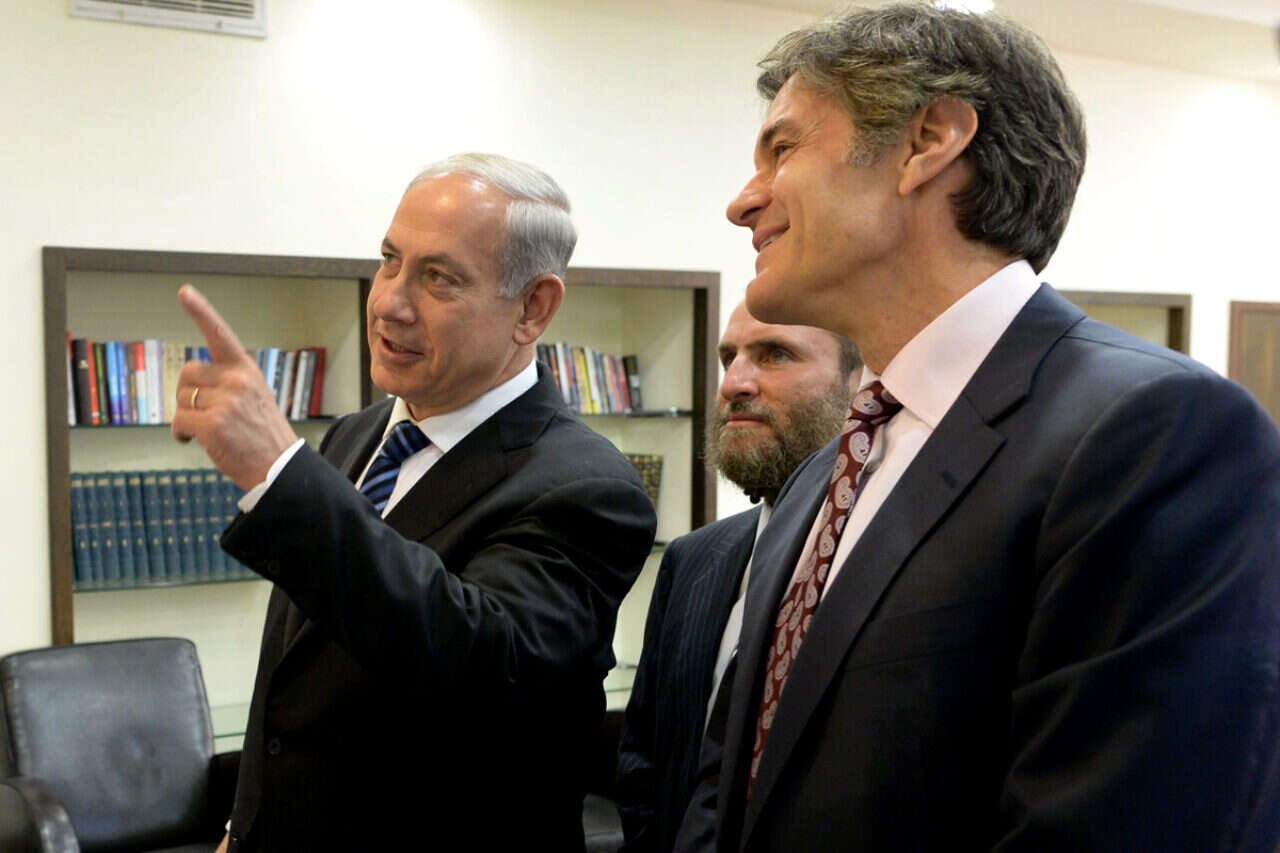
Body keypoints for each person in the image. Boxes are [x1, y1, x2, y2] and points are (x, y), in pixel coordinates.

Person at [678, 5, 1280, 851]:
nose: (744, 201)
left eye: (783, 148)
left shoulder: (1153, 434)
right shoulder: (826, 472)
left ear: (929, 142)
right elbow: (731, 785)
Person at [171, 153, 658, 851]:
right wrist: (242, 827)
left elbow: (474, 662)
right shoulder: (355, 436)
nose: (389, 303)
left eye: (438, 278)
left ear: (533, 308)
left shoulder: (588, 486)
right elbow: (299, 679)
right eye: (389, 261)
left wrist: (281, 476)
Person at [615, 300, 859, 852]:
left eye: (775, 355)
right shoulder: (693, 560)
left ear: (860, 381)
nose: (734, 384)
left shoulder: (886, 563)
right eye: (730, 358)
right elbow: (644, 762)